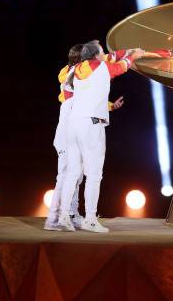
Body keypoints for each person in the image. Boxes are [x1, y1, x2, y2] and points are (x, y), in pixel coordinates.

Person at [44, 42, 126, 231]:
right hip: (68, 131)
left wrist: (110, 106)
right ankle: (54, 218)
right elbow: (109, 61)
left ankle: (70, 214)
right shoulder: (75, 74)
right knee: (67, 175)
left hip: (71, 128)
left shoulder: (74, 72)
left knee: (75, 175)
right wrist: (131, 56)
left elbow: (88, 98)